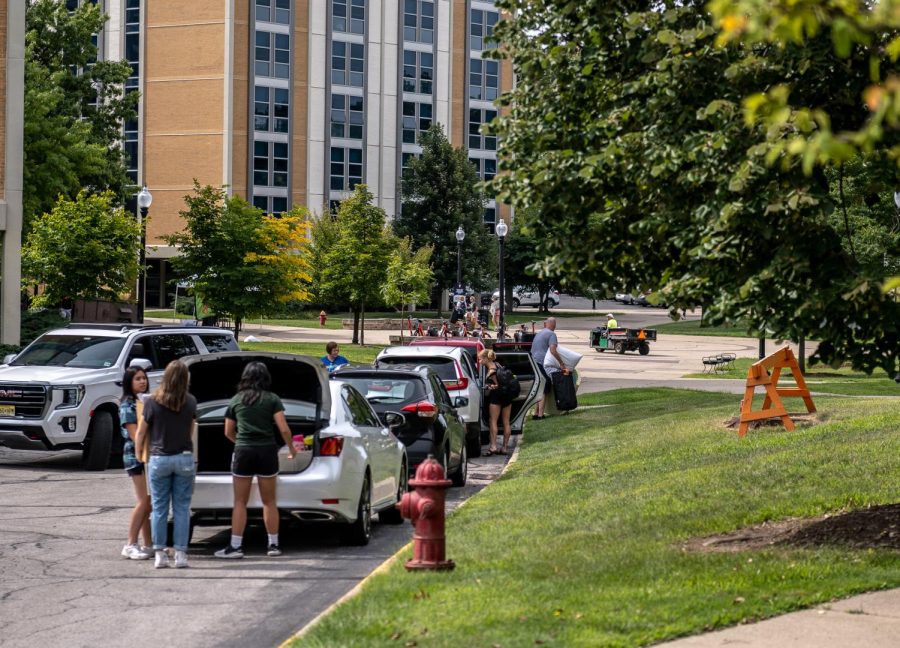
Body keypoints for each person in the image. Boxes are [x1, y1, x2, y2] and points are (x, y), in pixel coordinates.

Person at [214, 362, 295, 559]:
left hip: (243, 451)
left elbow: (227, 431)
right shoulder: (272, 399)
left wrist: (240, 442)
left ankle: (235, 546)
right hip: (267, 451)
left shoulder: (236, 400)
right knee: (269, 501)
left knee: (240, 501)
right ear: (265, 378)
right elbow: (283, 428)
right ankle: (273, 544)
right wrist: (291, 448)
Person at [135, 360, 197, 569]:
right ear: (185, 379)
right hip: (184, 457)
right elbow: (190, 430)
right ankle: (180, 554)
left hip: (159, 458)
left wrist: (139, 453)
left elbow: (142, 432)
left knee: (160, 508)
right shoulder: (190, 401)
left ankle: (160, 553)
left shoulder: (152, 402)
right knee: (181, 508)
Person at [118, 366, 152, 560]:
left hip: (148, 456)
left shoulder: (144, 401)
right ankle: (130, 544)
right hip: (135, 456)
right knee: (144, 502)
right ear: (129, 382)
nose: (142, 382)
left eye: (144, 378)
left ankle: (148, 545)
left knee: (149, 504)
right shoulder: (127, 405)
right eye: (138, 379)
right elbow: (134, 435)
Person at [530, 317, 567, 419]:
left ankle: (535, 413)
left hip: (533, 362)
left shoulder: (539, 333)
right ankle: (540, 415)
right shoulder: (552, 334)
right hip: (541, 363)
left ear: (545, 324)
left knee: (540, 386)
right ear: (554, 325)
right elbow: (553, 350)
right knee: (545, 386)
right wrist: (561, 363)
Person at [478, 349, 513, 455]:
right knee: (506, 422)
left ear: (485, 359)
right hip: (507, 396)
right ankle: (505, 447)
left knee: (492, 420)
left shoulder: (491, 370)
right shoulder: (498, 365)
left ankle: (493, 446)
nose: (479, 362)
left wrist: (490, 386)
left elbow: (498, 385)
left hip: (497, 397)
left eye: (480, 359)